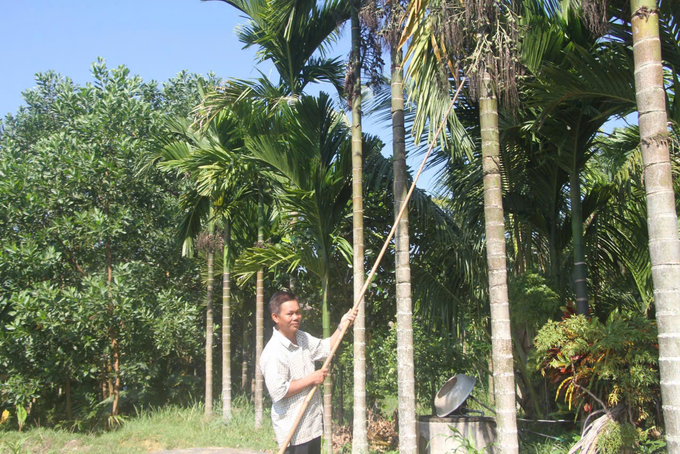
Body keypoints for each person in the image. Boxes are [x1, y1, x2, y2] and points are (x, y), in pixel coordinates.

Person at [260, 291, 358, 454]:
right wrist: (311, 379)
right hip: (293, 431)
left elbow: (325, 349)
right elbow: (278, 391)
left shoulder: (302, 337)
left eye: (298, 312)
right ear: (276, 317)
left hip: (311, 426)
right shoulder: (272, 352)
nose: (296, 317)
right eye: (290, 314)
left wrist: (342, 325)